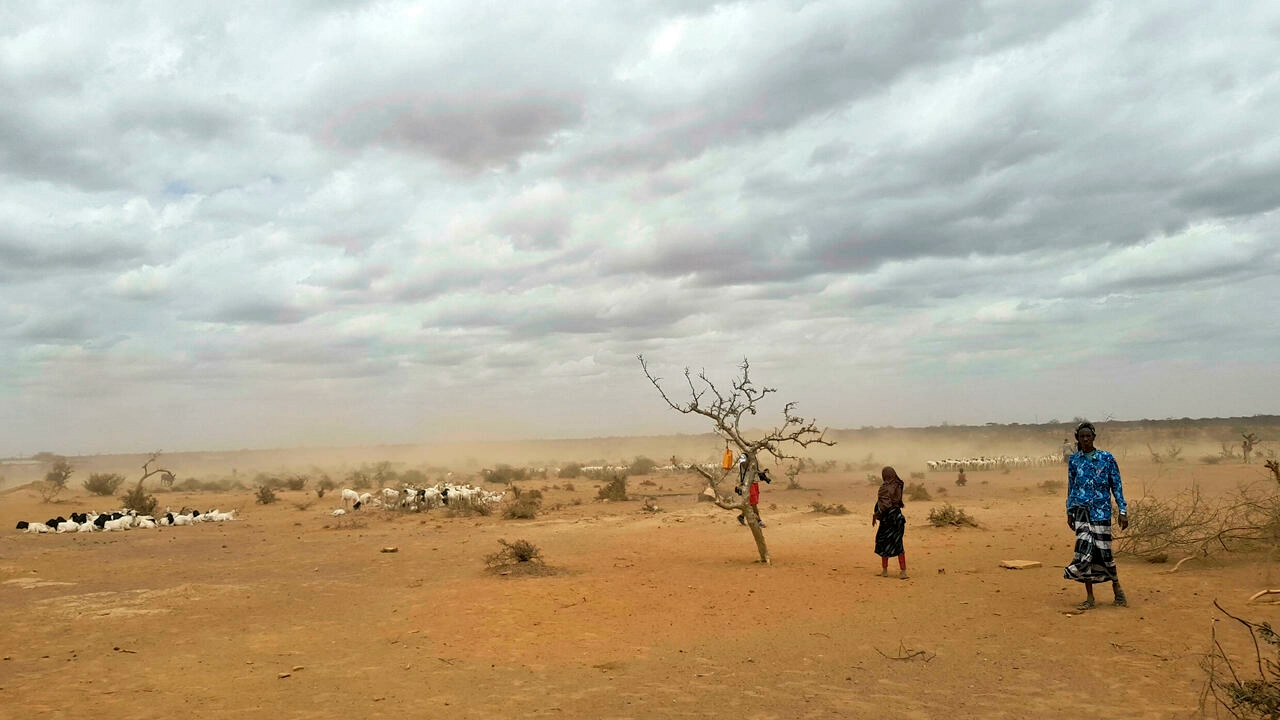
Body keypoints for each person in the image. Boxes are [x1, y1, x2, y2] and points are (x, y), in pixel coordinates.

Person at [1064, 421, 1129, 610]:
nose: (1085, 439)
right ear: (1078, 439)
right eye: (1082, 437)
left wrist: (1122, 511)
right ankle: (1090, 598)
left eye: (1088, 436)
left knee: (1105, 552)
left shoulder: (1106, 458)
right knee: (1084, 554)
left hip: (1101, 512)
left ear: (1094, 437)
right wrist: (1069, 511)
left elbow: (1116, 485)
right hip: (1081, 512)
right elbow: (1071, 487)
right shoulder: (1074, 461)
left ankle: (1117, 588)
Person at [872, 466, 907, 579]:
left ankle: (885, 571)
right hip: (898, 517)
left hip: (888, 519)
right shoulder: (899, 485)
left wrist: (876, 514)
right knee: (898, 543)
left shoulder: (884, 488)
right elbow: (898, 501)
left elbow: (884, 505)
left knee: (883, 542)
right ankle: (903, 572)